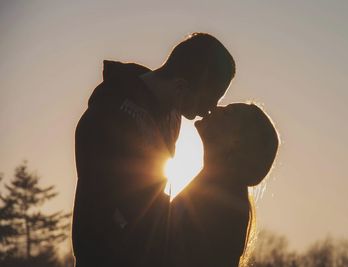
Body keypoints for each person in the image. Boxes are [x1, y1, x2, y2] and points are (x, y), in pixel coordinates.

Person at [72, 33, 235, 267]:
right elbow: (105, 205)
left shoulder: (172, 116)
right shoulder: (108, 114)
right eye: (208, 100)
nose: (210, 110)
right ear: (181, 86)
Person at [170, 103, 279, 267]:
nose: (214, 107)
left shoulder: (222, 201)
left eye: (227, 113)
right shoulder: (219, 191)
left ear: (235, 142)